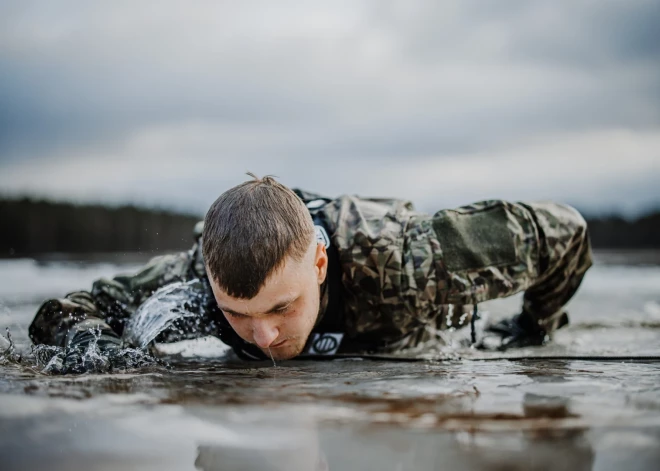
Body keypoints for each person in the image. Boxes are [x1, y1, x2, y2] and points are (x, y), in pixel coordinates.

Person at [29, 174, 592, 368]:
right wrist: (92, 350)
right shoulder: (193, 284)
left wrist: (535, 326)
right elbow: (70, 310)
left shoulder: (409, 261)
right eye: (236, 315)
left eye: (281, 307)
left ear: (319, 264)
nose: (264, 336)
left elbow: (565, 231)